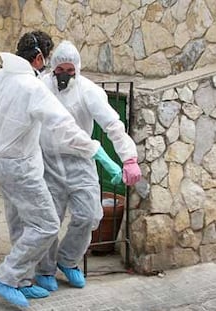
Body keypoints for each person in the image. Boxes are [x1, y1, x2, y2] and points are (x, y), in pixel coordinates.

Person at [0, 31, 123, 308]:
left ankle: (22, 279)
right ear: (39, 58)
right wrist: (98, 152)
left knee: (19, 221)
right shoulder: (33, 87)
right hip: (21, 165)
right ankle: (7, 277)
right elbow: (64, 126)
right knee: (46, 224)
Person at [35, 40, 142, 292]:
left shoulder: (88, 90)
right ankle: (44, 269)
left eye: (70, 70)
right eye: (60, 69)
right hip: (48, 161)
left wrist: (128, 157)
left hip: (80, 161)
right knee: (50, 219)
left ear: (77, 69)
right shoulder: (40, 87)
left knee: (90, 215)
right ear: (52, 68)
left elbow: (112, 124)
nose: (64, 75)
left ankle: (68, 259)